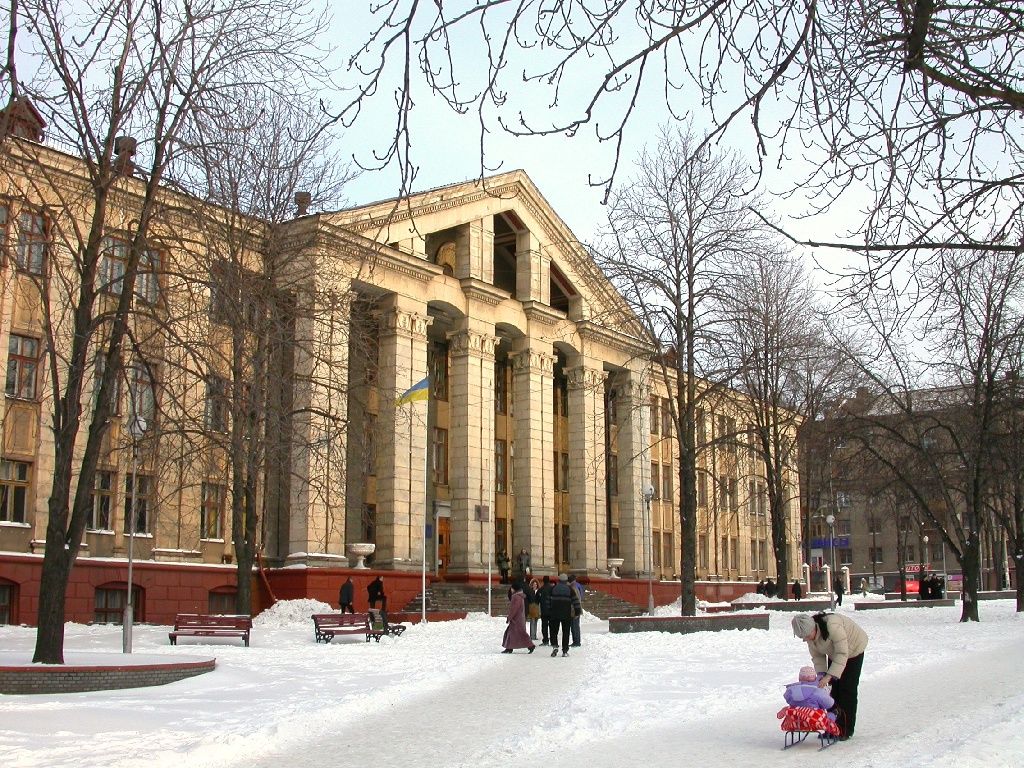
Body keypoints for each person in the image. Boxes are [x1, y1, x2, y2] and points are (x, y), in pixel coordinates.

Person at [791, 612, 869, 740]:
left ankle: (845, 730)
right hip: (835, 652)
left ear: (813, 628)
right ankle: (832, 727)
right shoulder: (810, 636)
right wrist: (822, 675)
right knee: (833, 691)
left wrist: (829, 675)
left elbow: (842, 653)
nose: (806, 639)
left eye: (807, 636)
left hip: (853, 649)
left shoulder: (833, 626)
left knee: (846, 689)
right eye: (803, 638)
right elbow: (817, 656)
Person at [547, 573, 580, 657]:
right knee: (566, 632)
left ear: (559, 580)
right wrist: (577, 612)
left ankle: (555, 646)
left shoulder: (553, 589)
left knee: (554, 631)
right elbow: (576, 601)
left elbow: (548, 601)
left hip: (554, 614)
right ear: (566, 581)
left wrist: (549, 611)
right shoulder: (570, 589)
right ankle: (565, 651)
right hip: (566, 614)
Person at [501, 581, 536, 654]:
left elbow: (514, 609)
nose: (511, 590)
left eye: (511, 588)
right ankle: (509, 648)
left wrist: (509, 617)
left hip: (516, 619)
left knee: (517, 633)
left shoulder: (516, 597)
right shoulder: (520, 596)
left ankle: (530, 645)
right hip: (519, 618)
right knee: (515, 633)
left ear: (514, 589)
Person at [568, 574, 584, 647]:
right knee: (574, 626)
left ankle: (576, 642)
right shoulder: (576, 587)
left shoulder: (573, 588)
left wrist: (575, 610)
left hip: (574, 610)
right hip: (575, 610)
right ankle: (576, 641)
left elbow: (576, 600)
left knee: (575, 627)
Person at [538, 575, 554, 645]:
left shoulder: (541, 589)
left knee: (544, 626)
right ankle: (553, 640)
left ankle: (545, 640)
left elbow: (537, 599)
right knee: (552, 626)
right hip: (551, 610)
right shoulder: (552, 588)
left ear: (543, 581)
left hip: (544, 610)